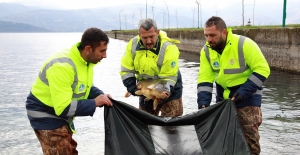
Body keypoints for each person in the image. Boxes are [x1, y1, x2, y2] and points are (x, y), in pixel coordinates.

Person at [26, 27, 113, 155]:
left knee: (71, 151)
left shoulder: (85, 62)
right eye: (102, 51)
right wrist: (94, 103)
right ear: (88, 49)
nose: (105, 56)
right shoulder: (62, 66)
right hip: (45, 115)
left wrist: (101, 95)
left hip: (60, 117)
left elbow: (84, 87)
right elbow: (63, 107)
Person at [197, 16, 270, 155]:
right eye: (206, 35)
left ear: (224, 32)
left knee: (250, 142)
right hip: (223, 102)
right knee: (225, 140)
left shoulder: (244, 44)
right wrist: (203, 103)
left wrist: (242, 93)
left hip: (248, 99)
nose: (209, 39)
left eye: (212, 35)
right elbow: (204, 78)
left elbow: (263, 69)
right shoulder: (206, 51)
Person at [120, 18, 183, 117]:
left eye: (151, 36)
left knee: (172, 126)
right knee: (145, 123)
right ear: (139, 35)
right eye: (144, 38)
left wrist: (160, 94)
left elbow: (169, 77)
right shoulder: (132, 45)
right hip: (146, 90)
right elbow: (126, 70)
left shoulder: (169, 48)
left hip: (169, 89)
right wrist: (132, 88)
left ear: (157, 32)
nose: (149, 41)